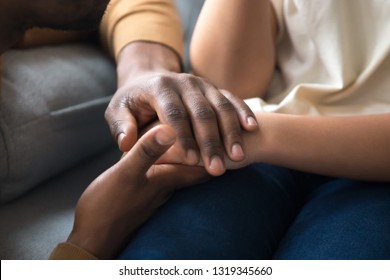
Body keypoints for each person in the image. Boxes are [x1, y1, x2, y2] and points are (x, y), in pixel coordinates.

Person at [109, 0, 390, 260]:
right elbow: (230, 83)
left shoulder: (255, 137)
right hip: (257, 155)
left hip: (369, 172)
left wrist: (252, 135)